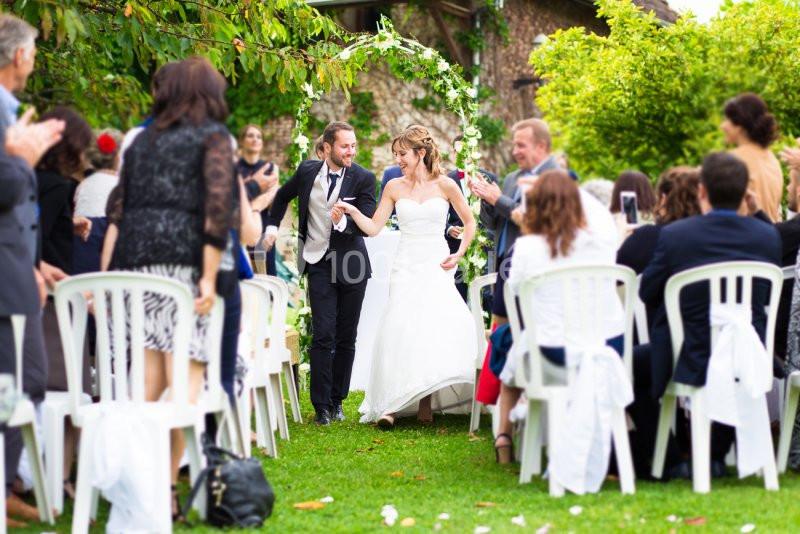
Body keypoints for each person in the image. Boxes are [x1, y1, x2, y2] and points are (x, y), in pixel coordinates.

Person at [102, 57, 236, 515]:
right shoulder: (212, 138)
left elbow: (118, 208)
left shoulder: (139, 144)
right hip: (184, 272)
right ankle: (161, 491)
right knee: (183, 392)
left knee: (147, 390)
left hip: (137, 274)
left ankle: (140, 491)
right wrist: (208, 275)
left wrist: (109, 275)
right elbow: (217, 211)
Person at [639, 152, 781, 479]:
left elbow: (647, 293)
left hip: (690, 353)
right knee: (722, 363)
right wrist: (756, 209)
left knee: (628, 366)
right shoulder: (766, 236)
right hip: (748, 353)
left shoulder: (677, 236)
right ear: (745, 191)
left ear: (702, 190)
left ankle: (673, 459)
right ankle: (714, 455)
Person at [333, 125, 477, 427]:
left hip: (436, 263)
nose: (398, 159)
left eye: (402, 154)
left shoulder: (447, 185)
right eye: (396, 154)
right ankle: (391, 405)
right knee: (401, 327)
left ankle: (425, 401)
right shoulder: (394, 187)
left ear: (420, 153)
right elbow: (373, 228)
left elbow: (469, 221)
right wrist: (350, 211)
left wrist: (460, 252)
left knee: (430, 327)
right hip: (406, 263)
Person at [492, 170, 620, 464]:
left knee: (513, 346)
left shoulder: (525, 248)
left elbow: (516, 293)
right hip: (605, 353)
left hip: (551, 361)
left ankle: (505, 435)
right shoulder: (600, 246)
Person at [262, 121, 376, 426]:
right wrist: (272, 226)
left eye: (353, 145)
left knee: (346, 336)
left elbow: (367, 219)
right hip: (318, 261)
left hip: (351, 261)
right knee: (323, 333)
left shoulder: (364, 178)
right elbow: (282, 196)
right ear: (326, 147)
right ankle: (321, 407)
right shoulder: (307, 171)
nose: (351, 151)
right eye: (344, 146)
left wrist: (343, 222)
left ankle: (338, 401)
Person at [0, 12, 65, 526]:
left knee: (22, 380)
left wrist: (35, 263)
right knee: (17, 382)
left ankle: (10, 482)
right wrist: (21, 159)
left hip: (17, 266)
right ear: (21, 55)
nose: (35, 60)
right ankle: (5, 486)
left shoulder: (10, 108)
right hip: (3, 277)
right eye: (35, 52)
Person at [722, 92, 783, 222]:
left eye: (728, 120)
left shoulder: (733, 160)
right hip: (772, 237)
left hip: (744, 236)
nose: (723, 126)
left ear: (740, 125)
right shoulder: (772, 159)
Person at [73, 128, 123, 274]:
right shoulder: (120, 184)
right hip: (110, 246)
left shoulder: (83, 185)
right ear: (118, 156)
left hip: (82, 253)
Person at [235, 124, 279, 275]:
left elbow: (271, 196)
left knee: (267, 274)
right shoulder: (233, 167)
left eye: (258, 136)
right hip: (241, 225)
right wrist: (256, 201)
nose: (255, 139)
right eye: (250, 136)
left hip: (264, 226)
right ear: (242, 141)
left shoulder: (271, 168)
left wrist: (248, 199)